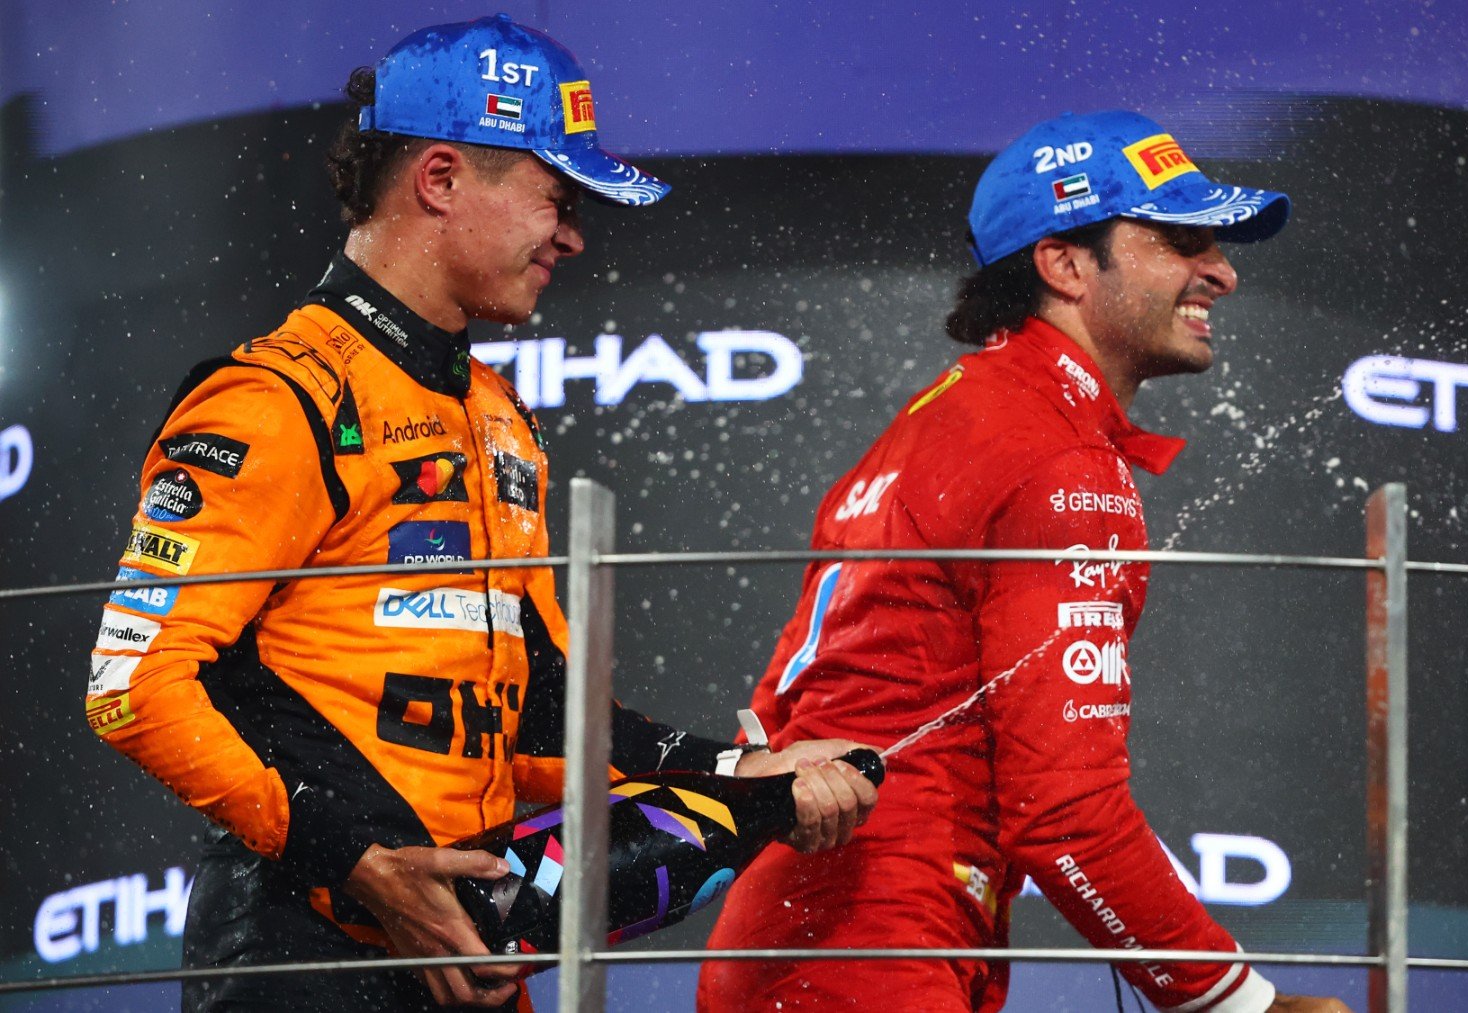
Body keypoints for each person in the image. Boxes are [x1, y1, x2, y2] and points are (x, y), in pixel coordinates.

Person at [83, 14, 876, 1012]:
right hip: (303, 948)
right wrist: (364, 860)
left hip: (467, 940)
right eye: (556, 196)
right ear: (442, 179)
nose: (575, 233)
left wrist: (742, 771)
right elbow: (131, 686)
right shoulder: (277, 396)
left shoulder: (497, 414)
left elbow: (546, 712)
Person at [699, 111, 1349, 1012]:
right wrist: (1242, 1002)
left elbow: (772, 723)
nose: (1224, 273)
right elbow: (1066, 813)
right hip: (879, 954)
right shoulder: (1054, 455)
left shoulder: (936, 419)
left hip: (797, 941)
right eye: (1181, 239)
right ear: (1066, 264)